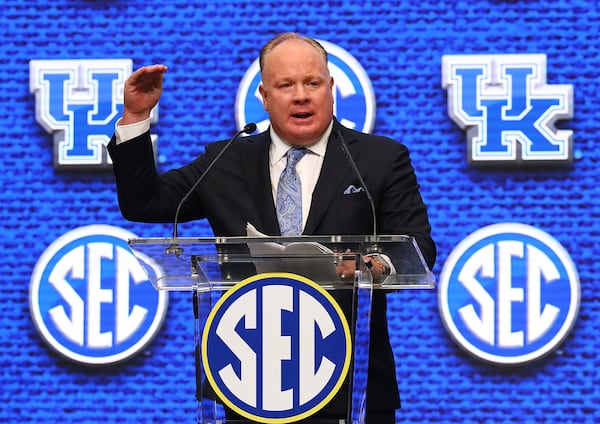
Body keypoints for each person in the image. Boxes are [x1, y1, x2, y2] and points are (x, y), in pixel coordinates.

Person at [107, 32, 435, 423]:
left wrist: (370, 265)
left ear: (331, 89)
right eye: (286, 85)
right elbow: (144, 203)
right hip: (248, 378)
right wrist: (136, 118)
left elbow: (416, 247)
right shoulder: (226, 160)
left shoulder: (380, 159)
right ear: (264, 96)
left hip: (353, 384)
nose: (301, 95)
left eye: (312, 83)